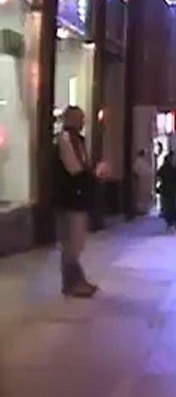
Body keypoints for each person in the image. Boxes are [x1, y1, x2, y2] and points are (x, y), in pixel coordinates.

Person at [53, 106, 103, 297]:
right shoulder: (66, 140)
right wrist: (93, 175)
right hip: (71, 196)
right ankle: (72, 282)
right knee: (72, 242)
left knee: (75, 241)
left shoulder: (77, 140)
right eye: (79, 119)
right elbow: (75, 168)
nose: (82, 123)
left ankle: (75, 280)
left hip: (76, 196)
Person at [156, 151, 176, 232]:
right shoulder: (174, 168)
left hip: (167, 189)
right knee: (172, 206)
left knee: (168, 206)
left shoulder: (165, 168)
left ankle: (170, 222)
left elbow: (158, 176)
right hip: (172, 189)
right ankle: (172, 222)